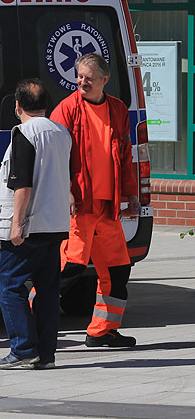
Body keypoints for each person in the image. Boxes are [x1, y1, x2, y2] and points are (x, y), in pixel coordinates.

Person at [51, 53, 139, 347]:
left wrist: (131, 194)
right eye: (79, 76)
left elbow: (125, 157)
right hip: (80, 205)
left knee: (117, 271)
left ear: (105, 79)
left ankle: (103, 331)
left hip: (108, 206)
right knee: (70, 268)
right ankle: (29, 319)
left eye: (88, 77)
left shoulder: (117, 109)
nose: (81, 82)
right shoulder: (66, 109)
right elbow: (55, 159)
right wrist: (67, 193)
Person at [0, 79, 72, 370]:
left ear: (17, 105)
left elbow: (22, 184)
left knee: (9, 286)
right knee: (48, 291)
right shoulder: (62, 132)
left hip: (31, 226)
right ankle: (46, 353)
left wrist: (16, 224)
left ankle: (23, 348)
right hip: (55, 225)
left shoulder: (23, 133)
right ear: (46, 103)